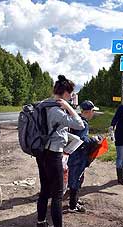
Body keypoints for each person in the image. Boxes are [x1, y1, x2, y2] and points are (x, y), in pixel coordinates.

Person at [36, 75, 85, 227]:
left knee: (45, 189)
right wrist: (69, 107)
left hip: (41, 152)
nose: (71, 97)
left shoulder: (44, 104)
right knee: (57, 195)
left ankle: (41, 222)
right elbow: (80, 124)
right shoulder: (56, 110)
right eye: (70, 94)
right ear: (64, 93)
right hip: (53, 154)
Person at [67, 100, 103, 213]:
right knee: (76, 179)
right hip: (78, 156)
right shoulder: (83, 124)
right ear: (87, 111)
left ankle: (75, 200)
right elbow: (82, 140)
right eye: (93, 111)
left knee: (77, 178)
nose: (93, 113)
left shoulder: (76, 120)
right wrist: (94, 139)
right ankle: (73, 205)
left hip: (73, 154)